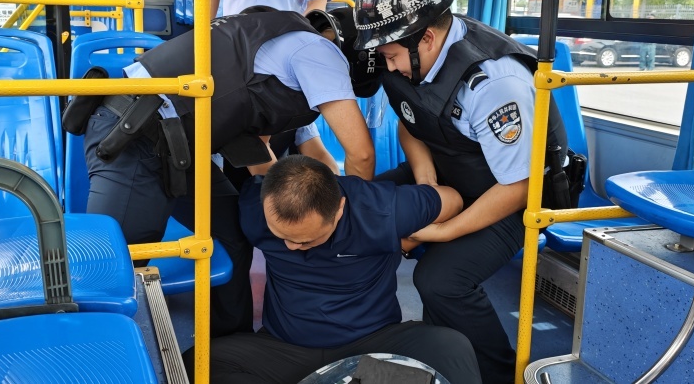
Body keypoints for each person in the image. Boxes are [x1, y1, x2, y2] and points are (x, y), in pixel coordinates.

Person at [63, 7, 378, 339]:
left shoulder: (275, 41)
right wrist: (351, 224)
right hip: (134, 134)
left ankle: (229, 342)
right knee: (111, 262)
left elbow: (259, 157)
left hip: (178, 145)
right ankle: (89, 351)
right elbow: (361, 155)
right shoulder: (320, 52)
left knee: (231, 234)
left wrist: (296, 204)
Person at [352, 0, 570, 384]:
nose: (390, 68)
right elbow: (411, 120)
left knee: (440, 281)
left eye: (392, 57)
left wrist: (442, 230)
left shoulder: (494, 85)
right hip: (450, 170)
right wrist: (427, 184)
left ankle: (498, 374)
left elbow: (520, 185)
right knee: (358, 208)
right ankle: (417, 351)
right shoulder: (418, 55)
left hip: (511, 195)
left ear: (426, 39)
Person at [184, 154, 482, 384]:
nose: (291, 247)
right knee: (196, 364)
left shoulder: (380, 209)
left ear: (339, 209)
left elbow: (453, 200)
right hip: (285, 350)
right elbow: (258, 151)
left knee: (451, 347)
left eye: (305, 240)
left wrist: (409, 236)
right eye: (281, 236)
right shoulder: (255, 207)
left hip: (370, 345)